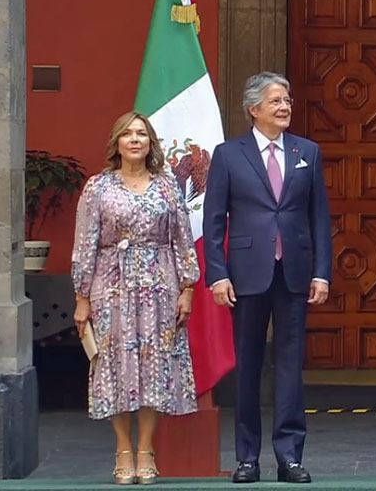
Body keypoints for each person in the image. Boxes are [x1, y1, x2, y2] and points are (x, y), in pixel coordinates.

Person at [203, 72, 333, 484]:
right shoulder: (228, 154)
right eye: (276, 101)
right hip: (245, 275)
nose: (285, 107)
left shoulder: (306, 152)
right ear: (253, 109)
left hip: (293, 271)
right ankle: (247, 457)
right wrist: (218, 275)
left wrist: (322, 273)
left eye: (288, 100)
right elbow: (214, 221)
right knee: (249, 366)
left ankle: (290, 456)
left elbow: (319, 217)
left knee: (291, 367)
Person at [72, 111, 199, 485]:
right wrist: (82, 297)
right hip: (110, 286)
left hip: (160, 285)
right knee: (113, 362)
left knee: (154, 364)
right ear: (117, 143)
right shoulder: (98, 187)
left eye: (141, 134)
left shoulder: (167, 186)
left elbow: (182, 239)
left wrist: (187, 289)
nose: (134, 139)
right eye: (127, 134)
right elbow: (85, 244)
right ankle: (123, 448)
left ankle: (146, 448)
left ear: (150, 143)